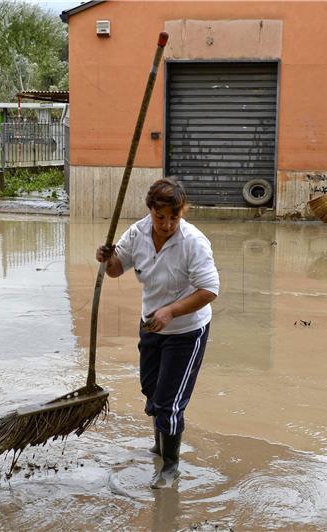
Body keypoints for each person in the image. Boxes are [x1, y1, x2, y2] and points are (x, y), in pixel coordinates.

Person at [95, 178, 219, 489]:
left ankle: (170, 466)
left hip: (186, 331)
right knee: (151, 391)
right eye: (160, 217)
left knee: (169, 402)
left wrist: (171, 311)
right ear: (150, 211)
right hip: (151, 324)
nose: (166, 225)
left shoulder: (194, 242)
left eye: (173, 218)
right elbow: (114, 270)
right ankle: (159, 444)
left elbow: (209, 290)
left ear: (182, 212)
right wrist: (107, 257)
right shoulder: (137, 233)